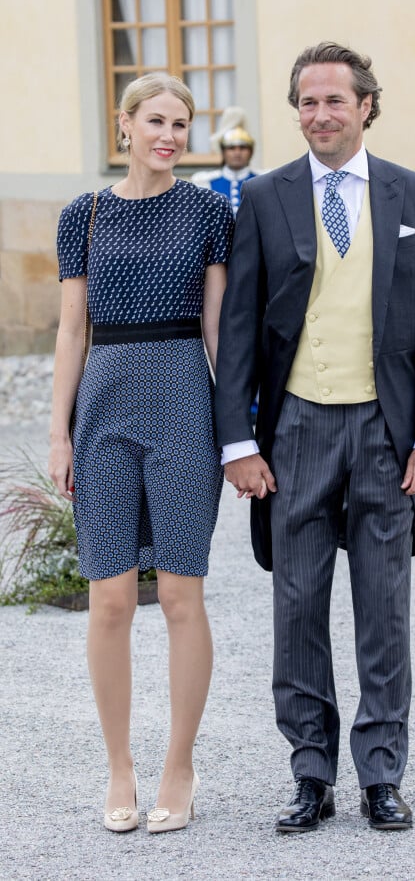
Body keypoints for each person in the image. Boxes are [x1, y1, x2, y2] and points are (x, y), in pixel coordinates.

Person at [214, 42, 415, 833]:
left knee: (384, 608)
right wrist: (238, 442)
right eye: (307, 102)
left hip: (385, 431)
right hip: (295, 429)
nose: (320, 114)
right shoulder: (264, 196)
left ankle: (381, 773)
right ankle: (310, 771)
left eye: (334, 101)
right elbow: (241, 326)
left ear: (365, 106)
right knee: (297, 607)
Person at [48, 72, 234, 834]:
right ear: (123, 124)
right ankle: (119, 765)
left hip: (186, 401)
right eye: (155, 120)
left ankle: (178, 764)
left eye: (181, 124)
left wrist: (241, 433)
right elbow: (69, 331)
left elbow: (221, 333)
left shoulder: (211, 213)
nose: (169, 135)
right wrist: (58, 431)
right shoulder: (82, 215)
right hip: (104, 409)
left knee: (183, 597)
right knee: (111, 598)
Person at [192, 106, 259, 215]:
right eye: (231, 148)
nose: (237, 152)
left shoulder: (261, 180)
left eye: (242, 147)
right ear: (223, 151)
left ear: (251, 151)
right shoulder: (205, 182)